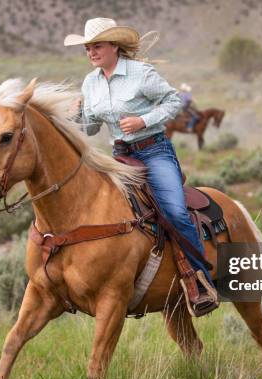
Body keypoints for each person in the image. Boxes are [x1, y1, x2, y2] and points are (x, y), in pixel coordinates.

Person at [64, 17, 218, 316]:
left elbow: (174, 101)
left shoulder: (140, 73)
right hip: (119, 154)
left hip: (153, 151)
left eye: (96, 46)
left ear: (114, 47)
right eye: (87, 48)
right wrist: (79, 116)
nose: (91, 52)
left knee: (173, 210)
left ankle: (200, 280)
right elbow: (93, 128)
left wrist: (143, 120)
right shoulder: (90, 82)